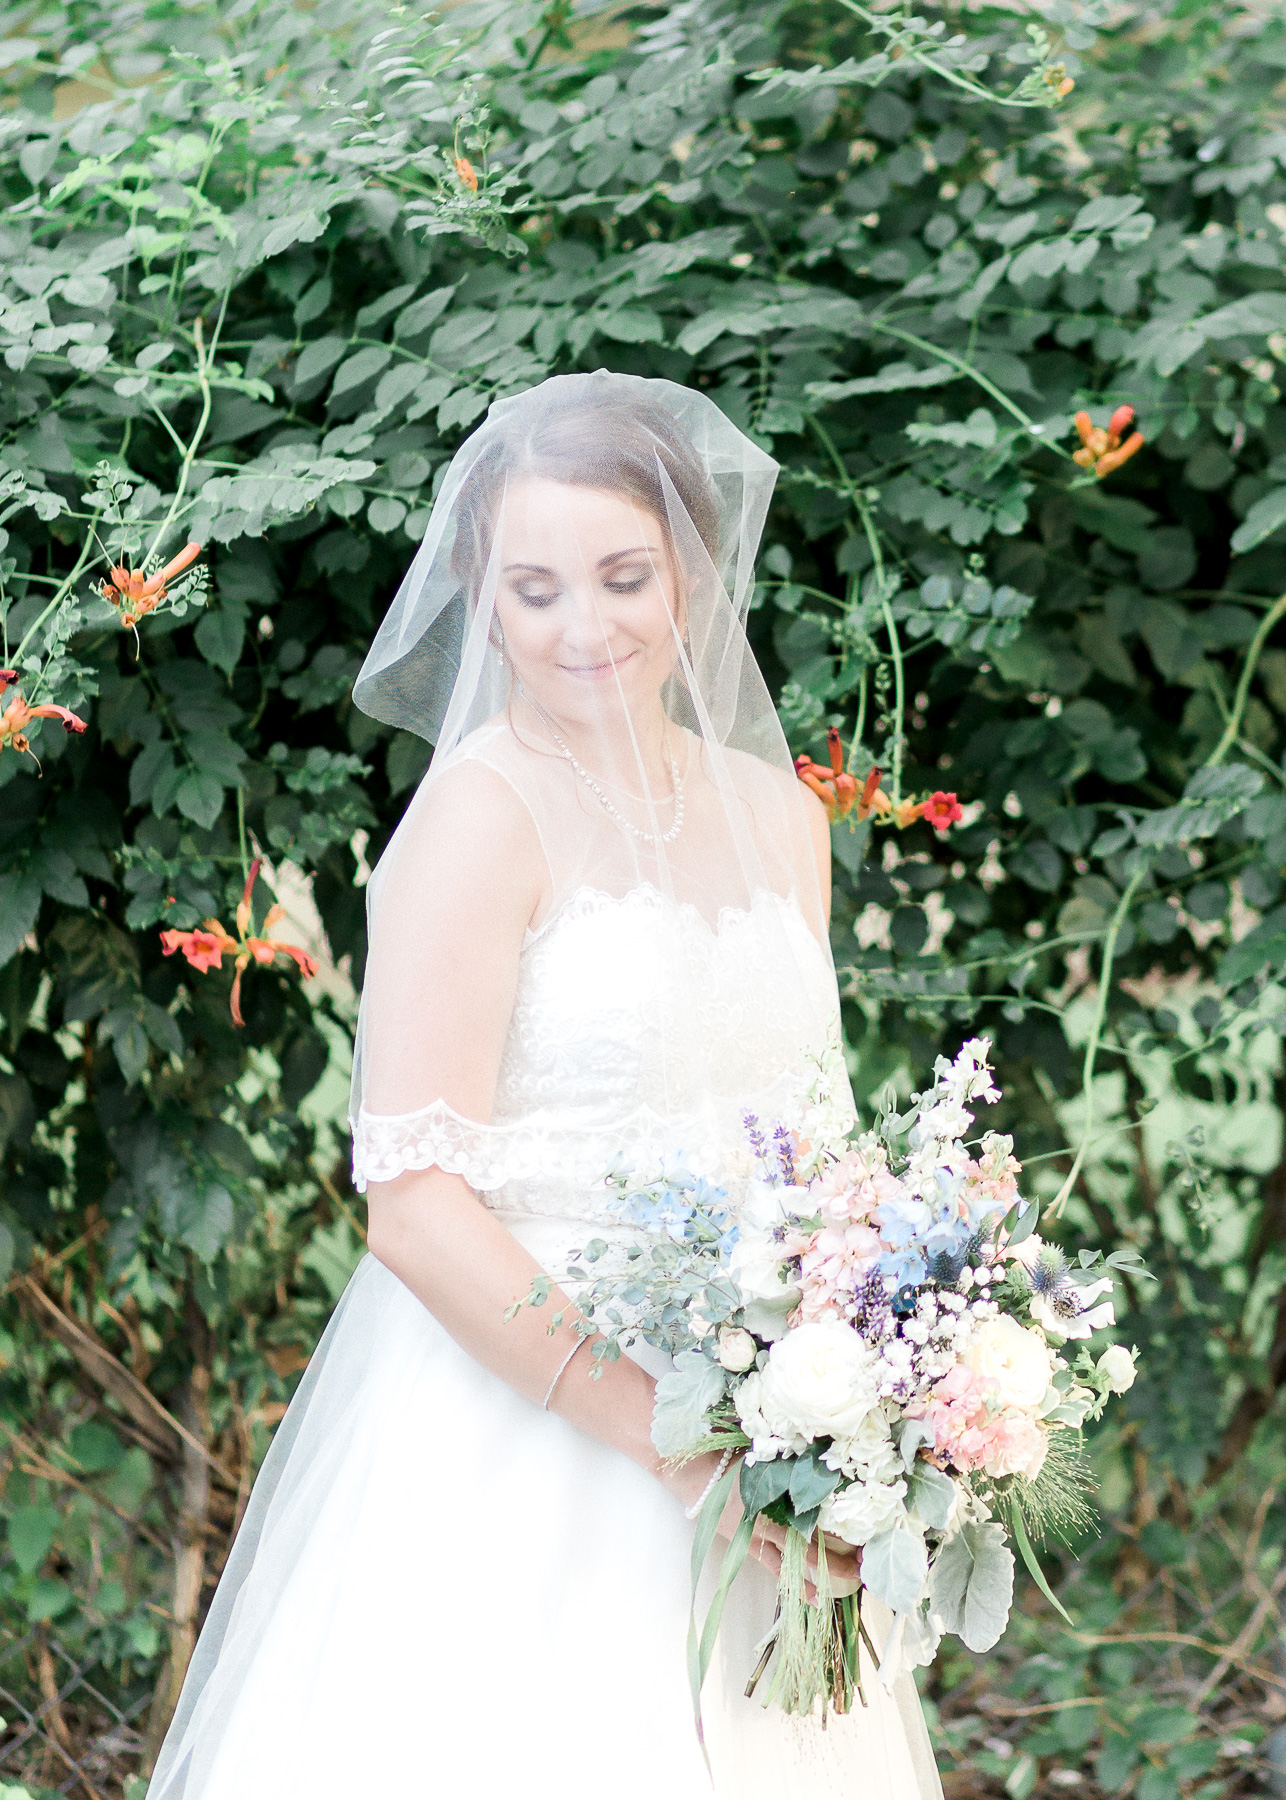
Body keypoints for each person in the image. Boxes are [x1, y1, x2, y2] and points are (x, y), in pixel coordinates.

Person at [146, 372, 943, 1799]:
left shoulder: (777, 812)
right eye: (534, 590)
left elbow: (811, 1136)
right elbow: (412, 1204)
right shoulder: (474, 817)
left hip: (771, 1406)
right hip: (531, 1426)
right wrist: (675, 1446)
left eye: (624, 576)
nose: (584, 629)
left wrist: (876, 1374)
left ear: (691, 572)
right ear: (483, 602)